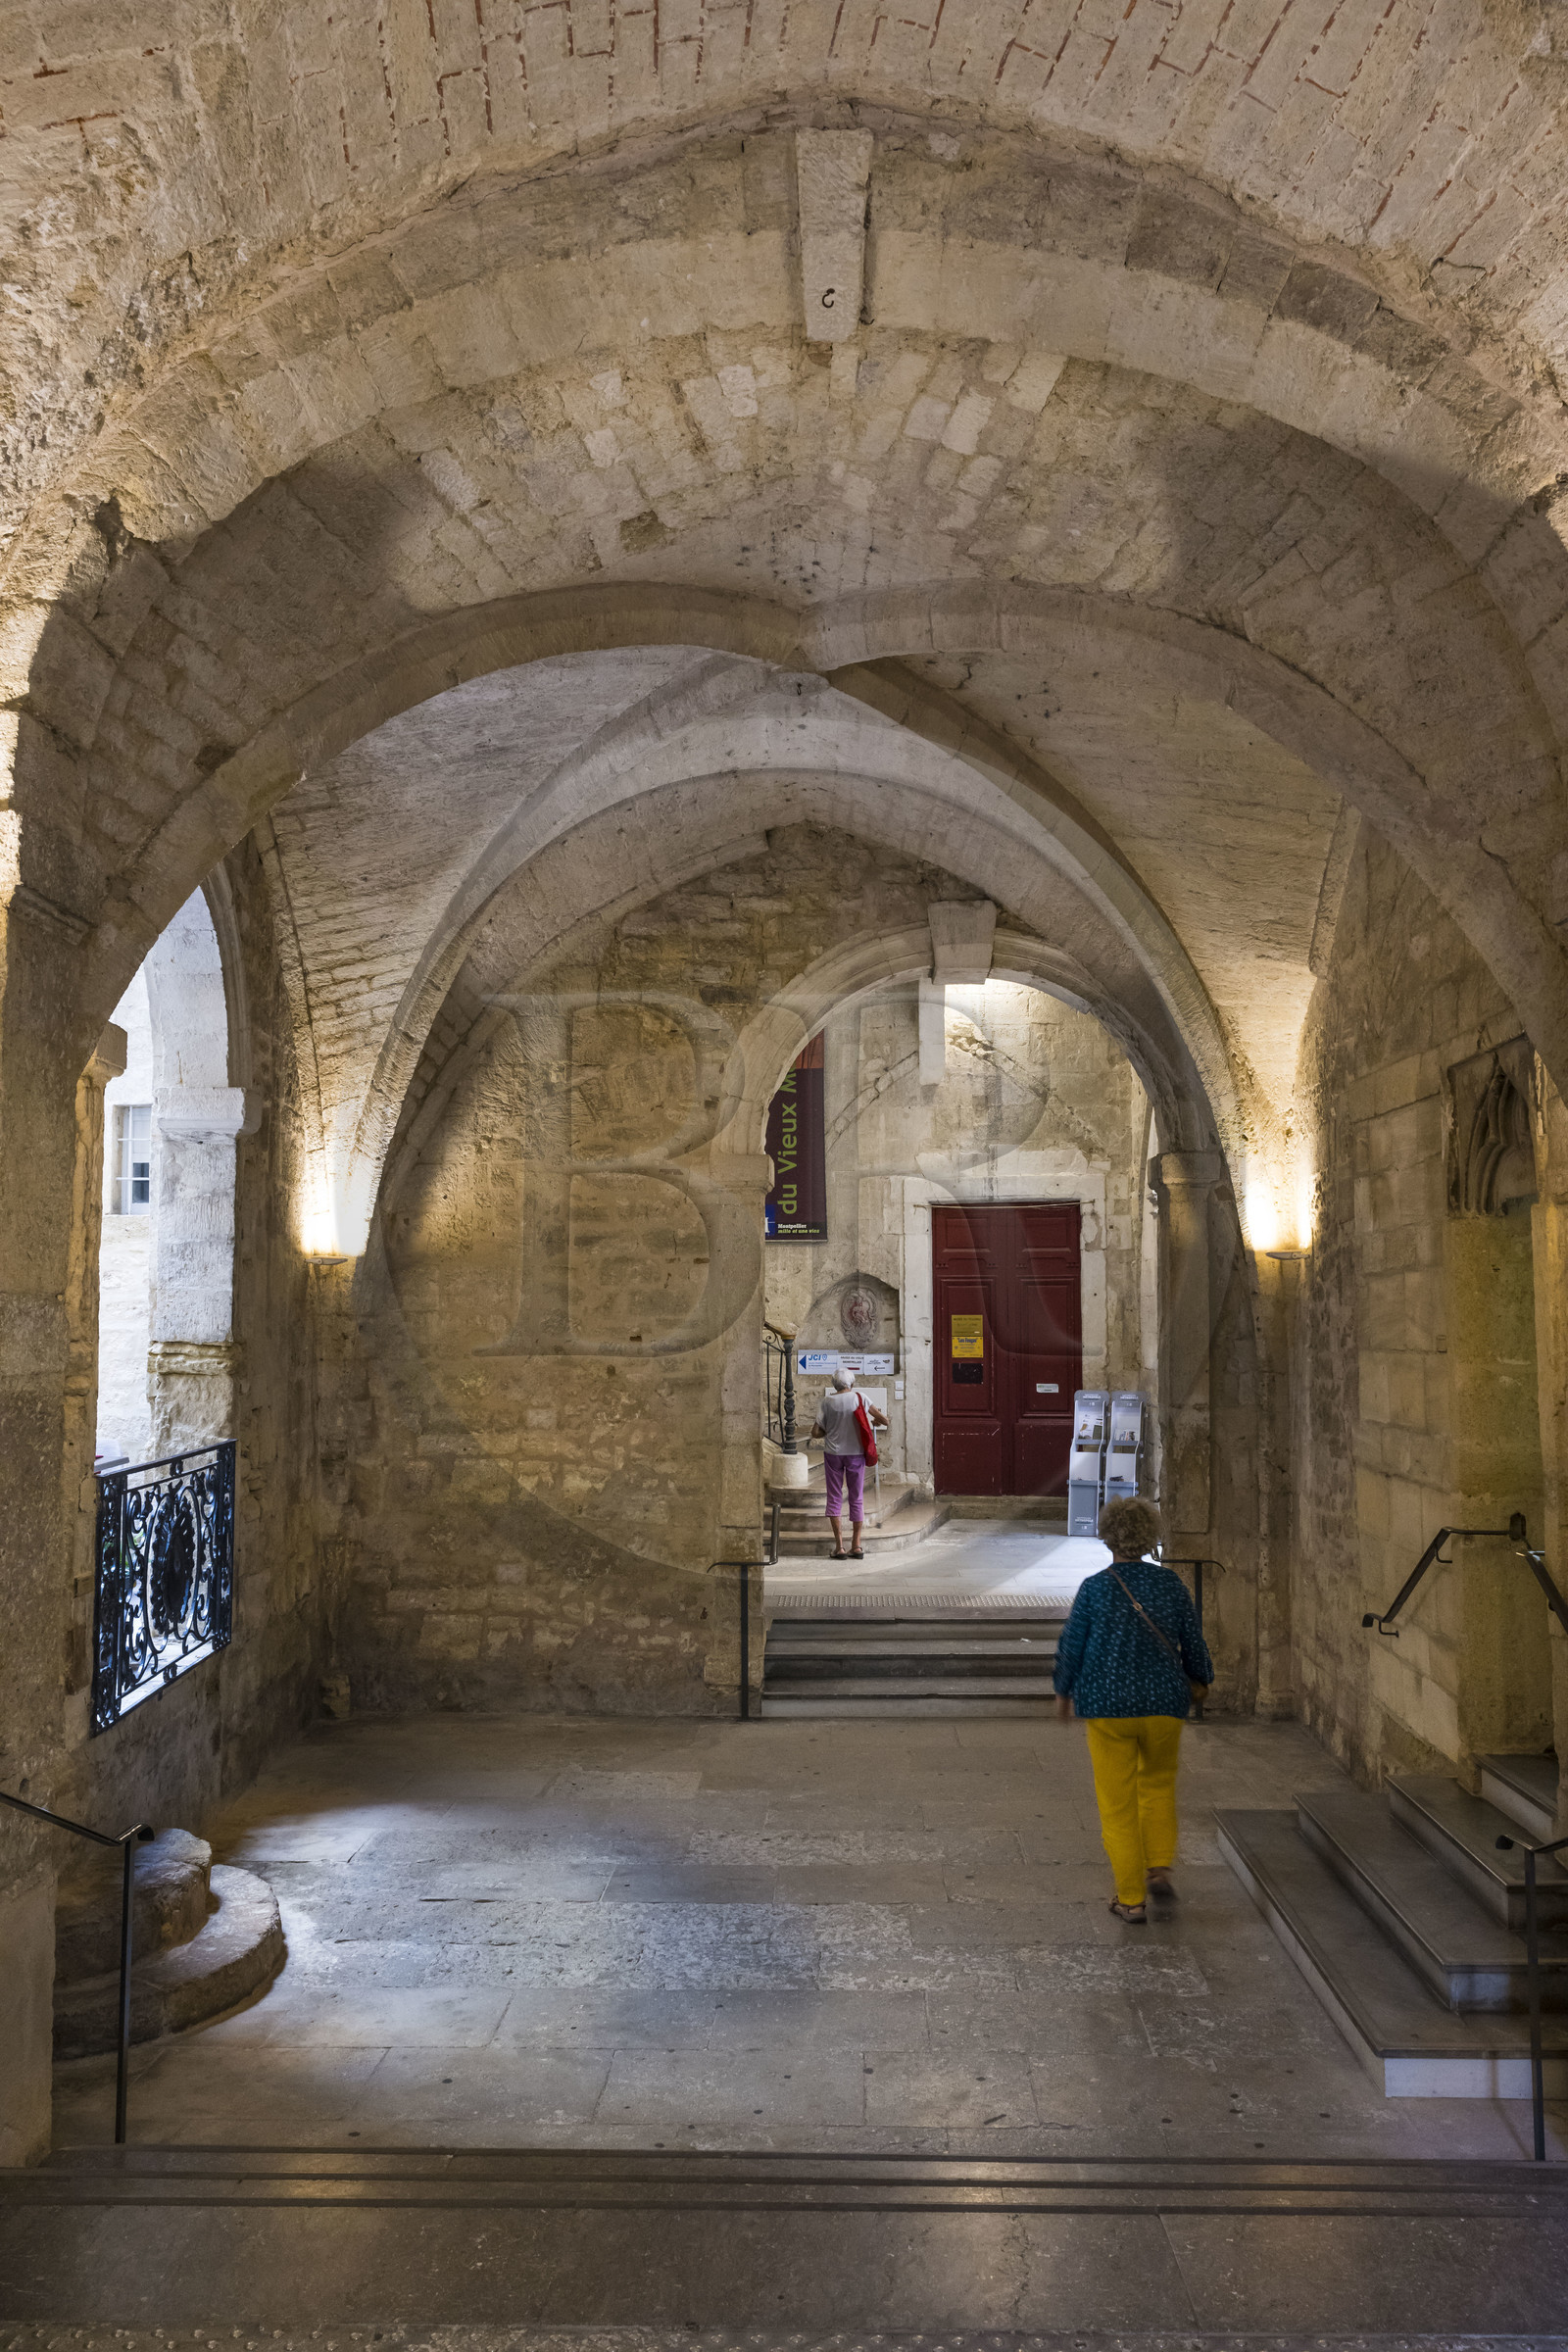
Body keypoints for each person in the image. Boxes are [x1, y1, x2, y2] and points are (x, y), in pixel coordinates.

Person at [1053, 1495, 1212, 1923]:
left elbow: (1072, 1645)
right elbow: (1193, 1644)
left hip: (1108, 1707)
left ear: (1107, 1538)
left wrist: (1063, 1691)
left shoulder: (1095, 1588)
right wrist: (1203, 1677)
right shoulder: (1171, 1586)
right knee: (1158, 1787)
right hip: (1164, 1705)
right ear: (1150, 1536)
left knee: (1117, 1804)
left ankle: (1130, 1899)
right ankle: (1158, 1867)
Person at [808, 1368, 888, 1559]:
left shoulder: (827, 1402)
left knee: (835, 1497)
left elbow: (815, 1433)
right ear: (851, 1384)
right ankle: (857, 1545)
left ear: (834, 1384)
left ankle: (839, 1547)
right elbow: (884, 1420)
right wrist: (874, 1422)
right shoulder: (859, 1397)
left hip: (833, 1454)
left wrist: (831, 1431)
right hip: (855, 1454)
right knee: (856, 1497)